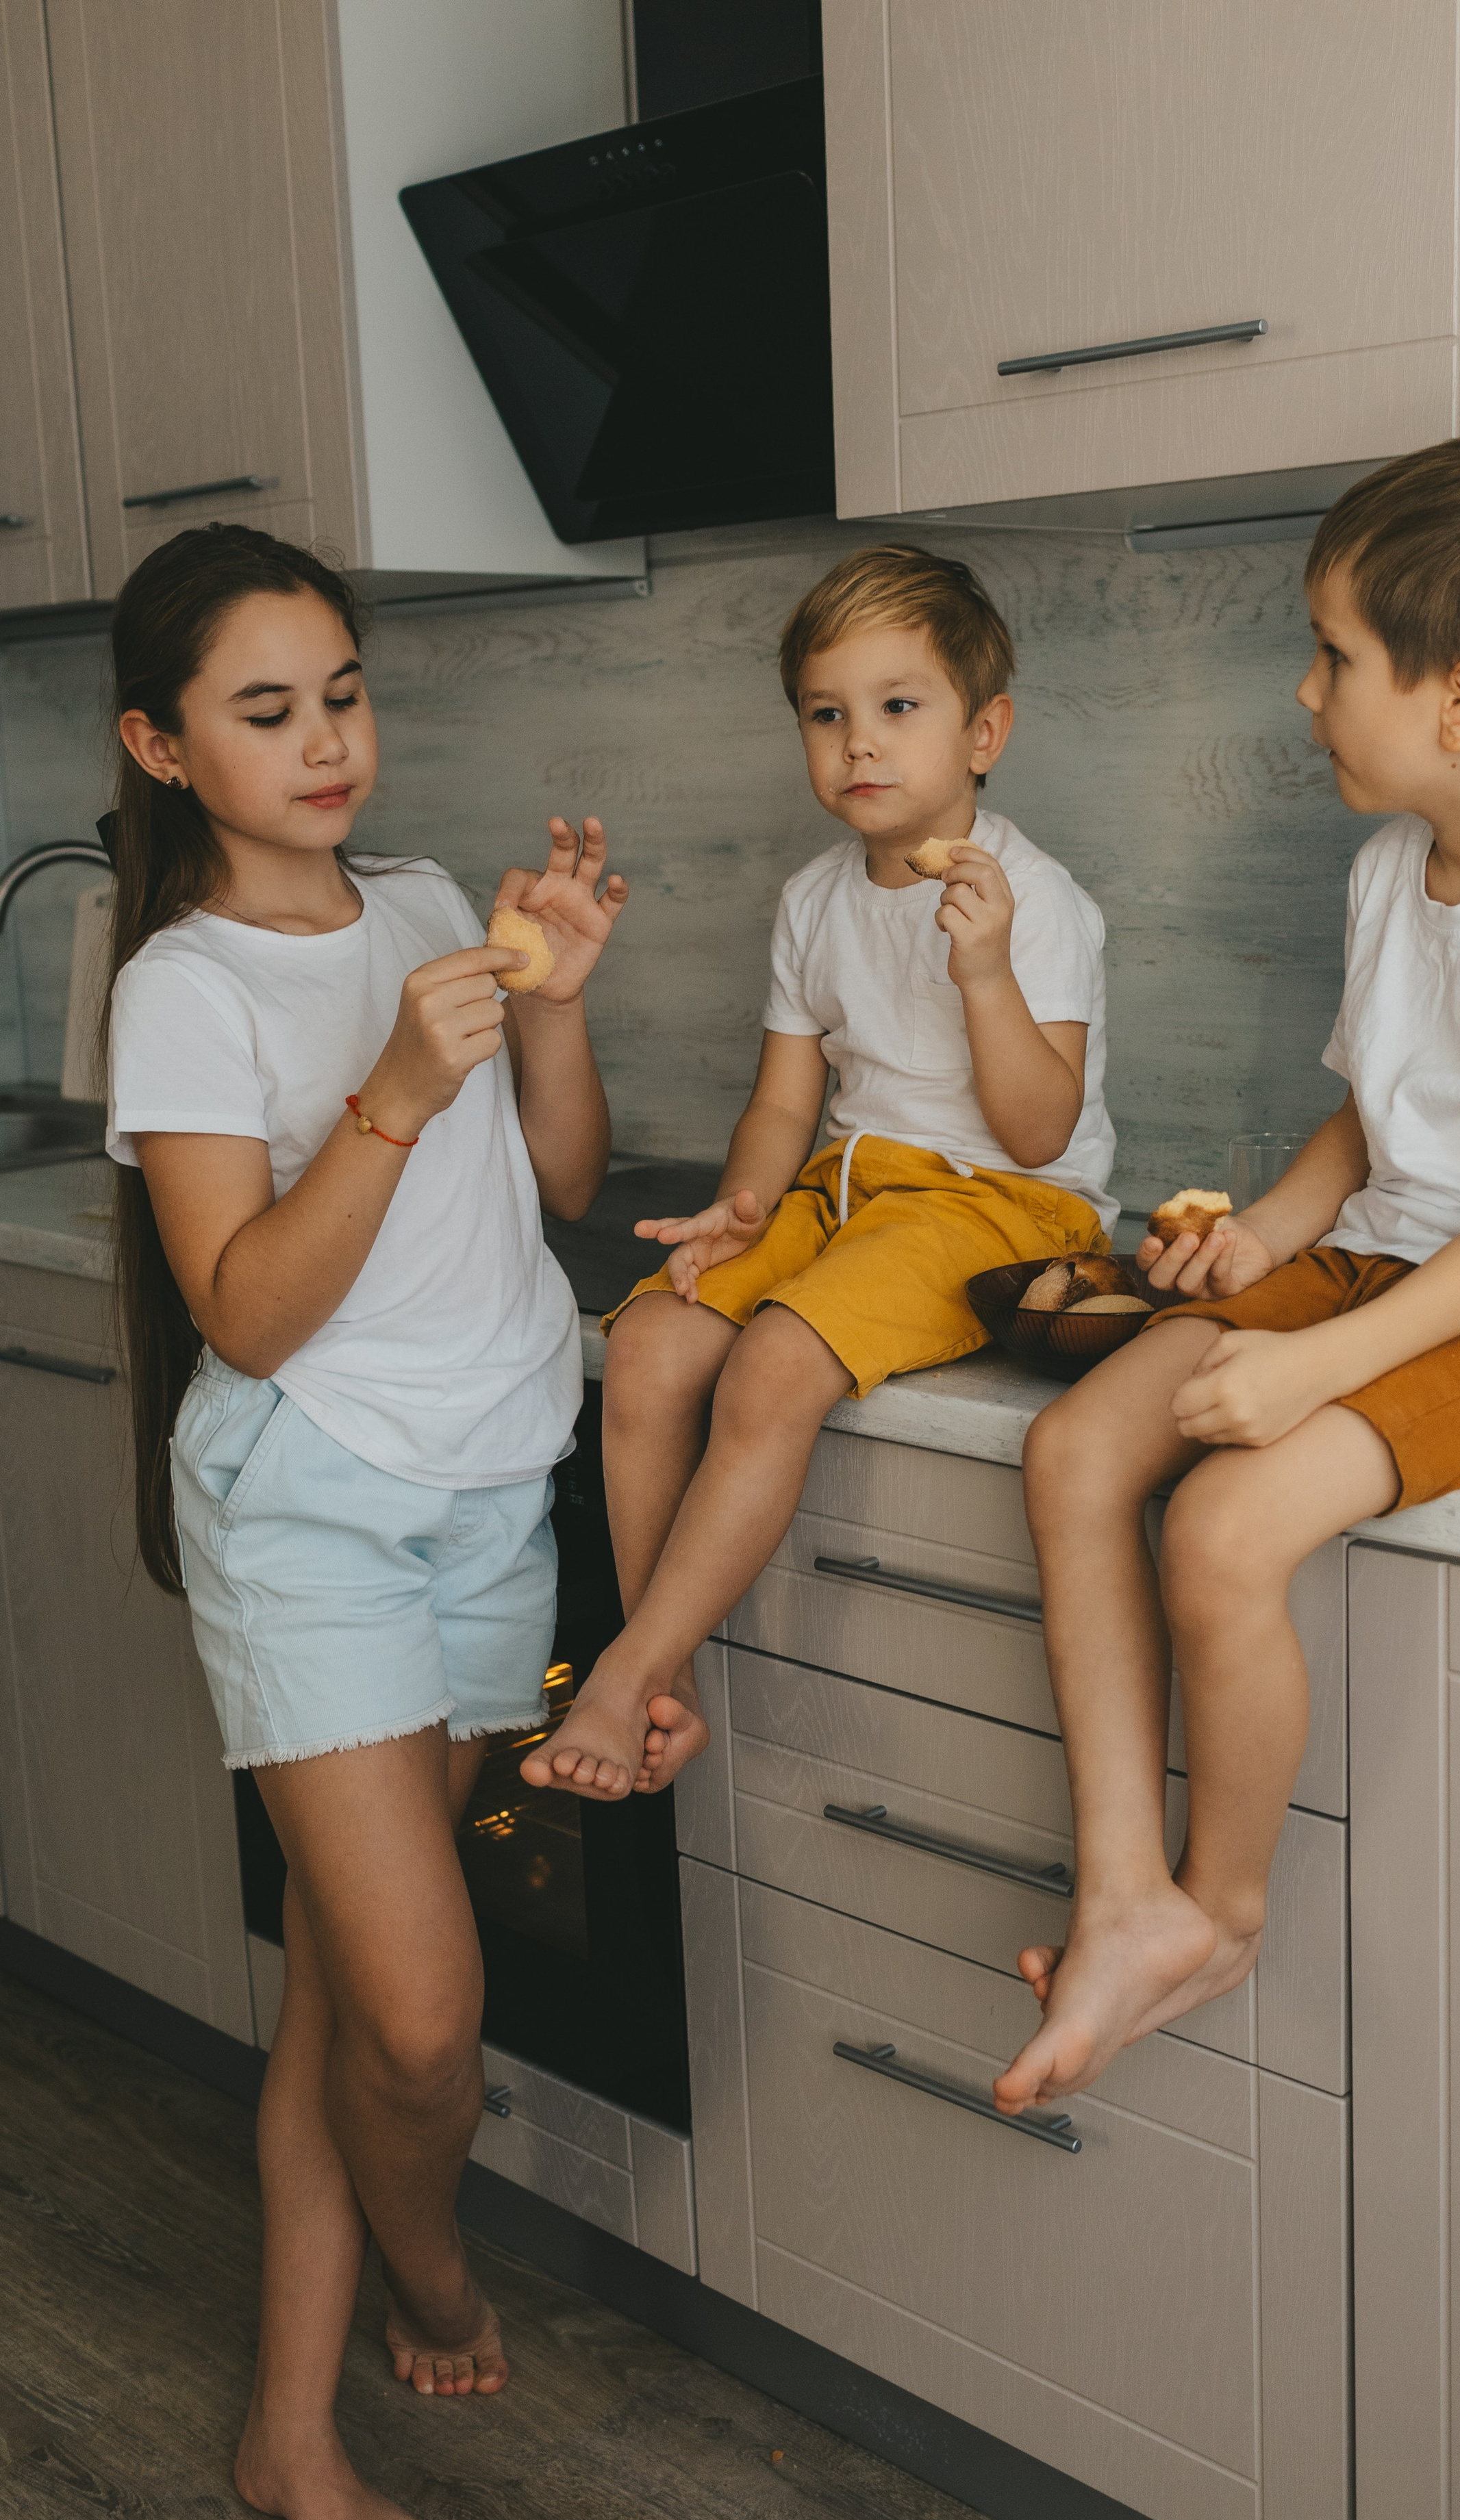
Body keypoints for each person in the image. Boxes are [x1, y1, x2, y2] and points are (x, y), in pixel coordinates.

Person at [996, 431, 1460, 2116]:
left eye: (1332, 655)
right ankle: (1120, 1889)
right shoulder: (1390, 866)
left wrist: (1306, 1366)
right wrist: (1265, 1234)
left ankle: (1218, 1914)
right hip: (1402, 1252)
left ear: (1458, 702)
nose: (1306, 690)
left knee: (1222, 1524)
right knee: (1073, 1450)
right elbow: (1370, 1112)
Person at [103, 523, 625, 2520]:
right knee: (418, 2027)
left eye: (342, 693)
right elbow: (245, 1307)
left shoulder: (422, 901)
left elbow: (563, 1178)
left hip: (493, 1485)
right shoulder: (182, 987)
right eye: (265, 710)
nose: (325, 742)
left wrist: (551, 1006)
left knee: (341, 1991)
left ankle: (283, 2433)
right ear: (162, 745)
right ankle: (434, 2275)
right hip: (312, 1497)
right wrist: (395, 1091)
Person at [522, 544, 1116, 1801]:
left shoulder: (1035, 900)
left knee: (778, 1360)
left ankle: (624, 1675)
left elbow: (1040, 1134)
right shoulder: (810, 899)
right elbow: (786, 1101)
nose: (861, 743)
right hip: (847, 1188)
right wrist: (743, 1210)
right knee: (651, 1343)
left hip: (1001, 1204)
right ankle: (658, 1676)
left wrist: (987, 972)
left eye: (900, 708)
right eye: (828, 714)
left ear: (983, 732)